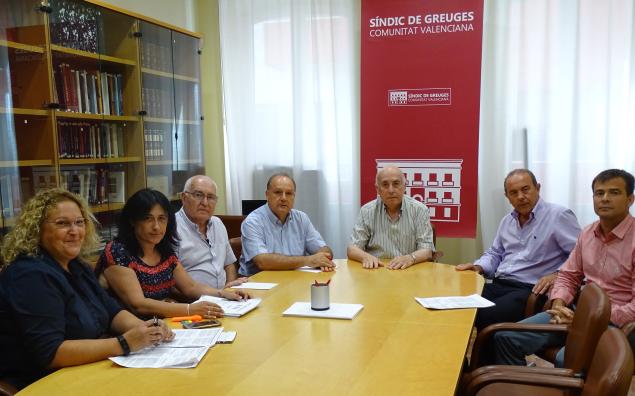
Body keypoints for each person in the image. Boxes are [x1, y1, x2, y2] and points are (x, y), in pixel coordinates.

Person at [0, 188, 174, 390]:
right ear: (37, 229)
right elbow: (51, 353)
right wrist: (123, 344)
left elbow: (112, 312)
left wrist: (147, 329)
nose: (74, 231)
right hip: (44, 383)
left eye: (79, 222)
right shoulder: (29, 275)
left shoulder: (76, 266)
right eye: (62, 223)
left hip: (89, 369)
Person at [494, 169, 635, 367]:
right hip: (576, 311)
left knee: (565, 358)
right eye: (599, 193)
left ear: (630, 199)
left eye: (614, 192)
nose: (604, 199)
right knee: (506, 336)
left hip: (616, 322)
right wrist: (558, 305)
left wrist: (588, 319)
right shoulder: (587, 234)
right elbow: (568, 276)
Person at [456, 169, 581, 330]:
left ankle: (485, 355)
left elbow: (580, 256)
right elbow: (495, 253)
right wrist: (478, 267)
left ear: (538, 188)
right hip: (499, 284)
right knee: (457, 305)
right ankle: (461, 355)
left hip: (529, 290)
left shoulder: (559, 215)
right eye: (513, 193)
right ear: (507, 197)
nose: (520, 197)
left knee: (485, 314)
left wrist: (557, 274)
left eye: (525, 189)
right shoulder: (507, 221)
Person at [97, 189, 249, 320]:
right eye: (148, 219)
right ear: (132, 221)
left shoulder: (163, 250)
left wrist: (222, 294)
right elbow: (138, 304)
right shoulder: (118, 251)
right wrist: (189, 310)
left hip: (164, 325)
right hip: (130, 332)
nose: (156, 226)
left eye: (162, 219)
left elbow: (190, 287)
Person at [238, 172, 335, 276]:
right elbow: (262, 262)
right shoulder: (253, 222)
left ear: (294, 196)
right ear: (267, 195)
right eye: (278, 192)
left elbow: (324, 250)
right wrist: (308, 260)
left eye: (289, 193)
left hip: (292, 280)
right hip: (258, 284)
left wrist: (323, 258)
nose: (284, 198)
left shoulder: (301, 218)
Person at [347, 166, 434, 269]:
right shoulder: (367, 211)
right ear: (378, 189)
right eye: (385, 185)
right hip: (376, 270)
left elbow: (427, 250)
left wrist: (410, 257)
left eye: (396, 184)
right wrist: (365, 257)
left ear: (404, 186)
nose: (391, 190)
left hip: (408, 270)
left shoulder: (419, 210)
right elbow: (352, 249)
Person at [176, 175, 247, 289]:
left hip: (223, 297)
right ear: (184, 197)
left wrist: (229, 289)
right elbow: (169, 283)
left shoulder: (217, 223)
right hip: (192, 302)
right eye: (198, 195)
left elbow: (229, 264)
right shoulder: (171, 228)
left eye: (210, 197)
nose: (205, 202)